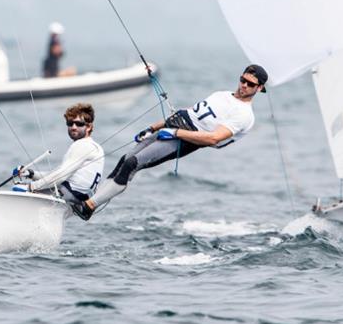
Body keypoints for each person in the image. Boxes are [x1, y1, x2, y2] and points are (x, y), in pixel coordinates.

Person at [72, 64, 268, 220]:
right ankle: (91, 199)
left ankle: (88, 207)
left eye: (250, 84)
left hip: (184, 139)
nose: (244, 85)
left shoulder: (244, 115)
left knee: (133, 164)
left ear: (259, 88)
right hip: (173, 126)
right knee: (125, 159)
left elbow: (213, 138)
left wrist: (175, 133)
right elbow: (189, 112)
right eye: (243, 80)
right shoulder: (222, 94)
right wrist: (154, 127)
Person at [12, 103, 104, 212]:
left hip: (68, 194)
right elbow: (58, 174)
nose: (73, 127)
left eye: (79, 124)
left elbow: (60, 175)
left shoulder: (82, 145)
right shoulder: (95, 147)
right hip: (77, 200)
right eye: (70, 123)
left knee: (17, 190)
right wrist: (31, 174)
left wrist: (30, 187)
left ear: (88, 127)